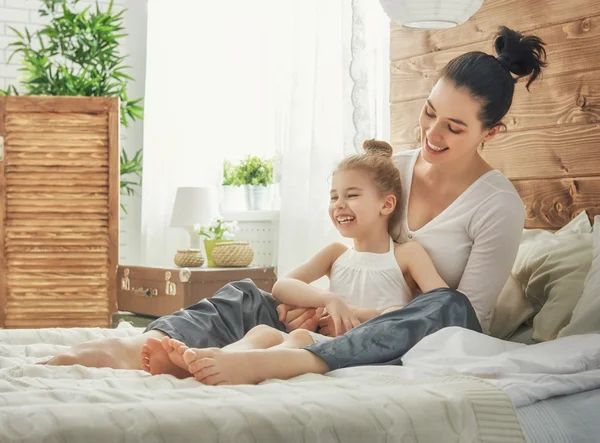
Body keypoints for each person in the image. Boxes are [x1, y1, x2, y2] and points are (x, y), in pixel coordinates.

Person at [44, 26, 545, 384]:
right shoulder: (395, 168)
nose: (432, 134)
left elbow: (466, 319)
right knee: (247, 293)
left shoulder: (497, 205)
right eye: (430, 113)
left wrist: (355, 319)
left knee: (448, 304)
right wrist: (315, 309)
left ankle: (295, 362)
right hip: (341, 319)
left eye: (454, 128)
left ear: (491, 132)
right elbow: (347, 258)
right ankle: (140, 346)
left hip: (405, 330)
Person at [143, 140, 450, 379]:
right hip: (321, 338)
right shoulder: (336, 254)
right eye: (333, 197)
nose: (339, 205)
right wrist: (328, 299)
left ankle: (238, 365)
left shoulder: (405, 254)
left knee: (300, 335)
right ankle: (204, 361)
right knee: (262, 332)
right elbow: (283, 286)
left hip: (365, 347)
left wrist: (361, 312)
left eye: (352, 195)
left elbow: (437, 306)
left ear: (387, 204)